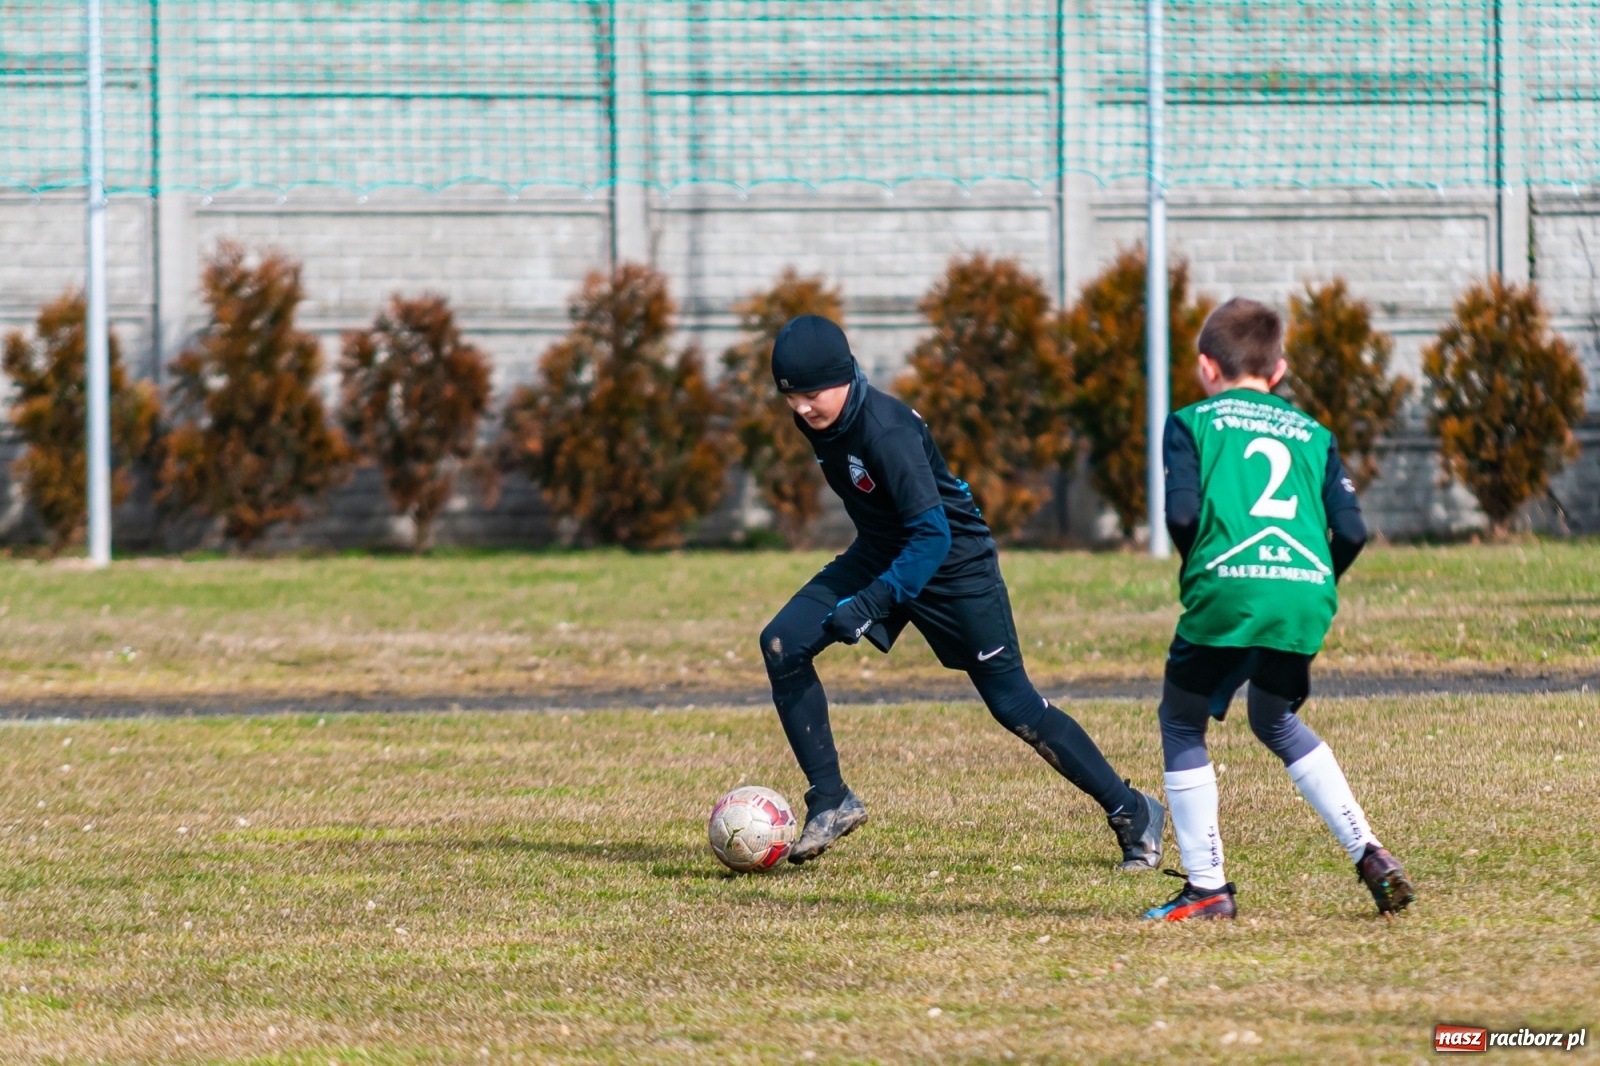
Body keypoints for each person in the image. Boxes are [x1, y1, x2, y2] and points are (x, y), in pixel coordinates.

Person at [758, 314, 1164, 870]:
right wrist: (869, 589)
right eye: (790, 396)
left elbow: (932, 533)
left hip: (953, 567)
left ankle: (1132, 811)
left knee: (1014, 705)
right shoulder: (822, 421)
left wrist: (870, 604)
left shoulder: (887, 430)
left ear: (844, 377)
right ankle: (831, 798)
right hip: (882, 551)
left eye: (811, 393)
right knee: (782, 642)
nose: (802, 408)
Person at [1142, 297, 1415, 921]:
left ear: (1207, 367)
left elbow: (1182, 514)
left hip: (1228, 588)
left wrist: (1202, 566)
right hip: (1303, 591)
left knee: (1183, 720)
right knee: (1275, 718)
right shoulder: (1316, 435)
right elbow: (1351, 531)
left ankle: (1207, 887)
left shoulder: (1191, 423)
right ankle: (1368, 850)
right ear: (1280, 368)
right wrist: (1312, 580)